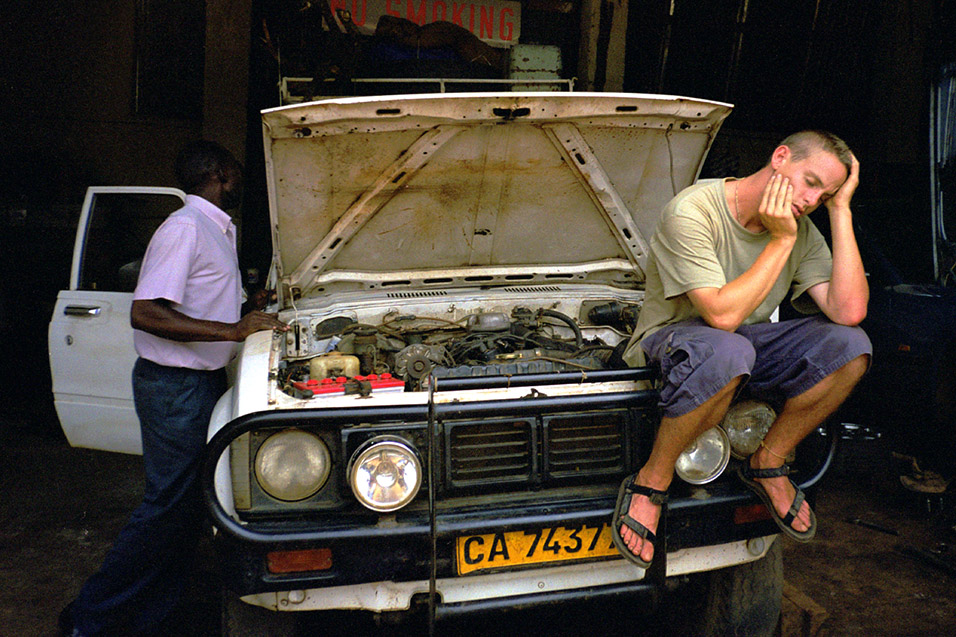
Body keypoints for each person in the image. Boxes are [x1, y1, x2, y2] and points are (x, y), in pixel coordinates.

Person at [612, 130, 872, 568]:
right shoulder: (694, 209)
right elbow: (721, 315)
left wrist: (841, 210)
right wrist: (780, 241)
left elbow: (849, 311)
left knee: (851, 347)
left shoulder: (803, 227)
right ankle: (650, 482)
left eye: (823, 195)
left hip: (738, 347)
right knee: (727, 349)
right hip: (674, 337)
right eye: (810, 181)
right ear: (780, 156)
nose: (811, 200)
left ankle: (768, 462)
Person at [60, 140, 288, 635]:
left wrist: (248, 301)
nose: (241, 180)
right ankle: (90, 619)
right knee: (166, 507)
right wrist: (233, 331)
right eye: (237, 171)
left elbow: (196, 298)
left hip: (195, 383)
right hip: (174, 388)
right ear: (221, 173)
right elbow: (146, 313)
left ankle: (152, 615)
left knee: (185, 507)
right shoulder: (186, 228)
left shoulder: (213, 229)